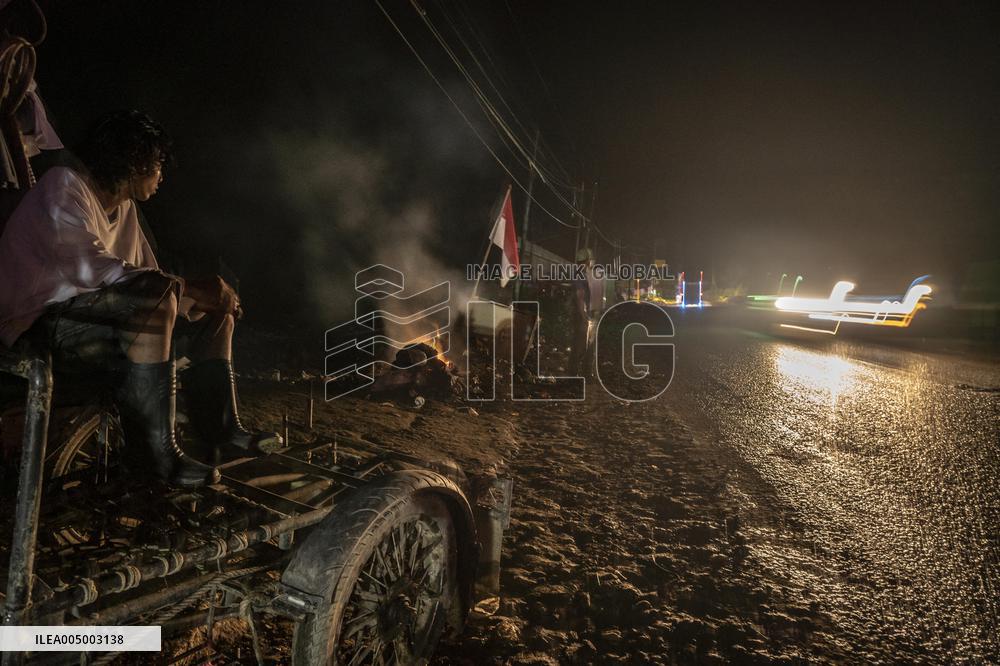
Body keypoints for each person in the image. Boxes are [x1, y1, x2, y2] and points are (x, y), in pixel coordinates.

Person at [0, 110, 278, 488]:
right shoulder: (63, 186)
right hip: (37, 328)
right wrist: (189, 286)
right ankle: (153, 456)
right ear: (136, 162)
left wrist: (203, 302)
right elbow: (90, 270)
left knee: (217, 314)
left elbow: (150, 279)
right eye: (158, 164)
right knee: (164, 293)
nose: (161, 176)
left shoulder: (125, 210)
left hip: (93, 325)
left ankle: (221, 432)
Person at [568, 247, 603, 377]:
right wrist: (585, 317)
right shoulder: (580, 275)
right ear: (588, 261)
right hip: (583, 316)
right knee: (580, 345)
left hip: (589, 315)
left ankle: (586, 373)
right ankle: (574, 373)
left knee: (589, 345)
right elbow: (580, 298)